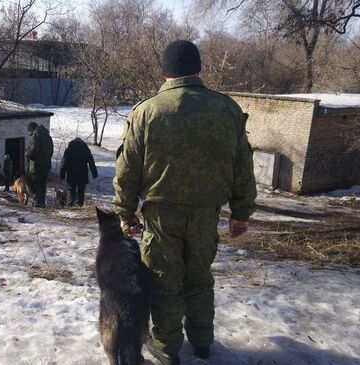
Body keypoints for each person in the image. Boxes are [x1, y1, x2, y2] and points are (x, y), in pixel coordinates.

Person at [112, 40, 257, 365]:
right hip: (207, 213)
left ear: (165, 72)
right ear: (198, 69)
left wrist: (125, 212)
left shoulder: (146, 112)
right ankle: (202, 342)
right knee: (199, 277)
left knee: (164, 281)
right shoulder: (226, 109)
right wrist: (241, 212)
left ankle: (166, 349)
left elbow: (127, 169)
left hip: (162, 216)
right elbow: (242, 166)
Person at [60, 137, 98, 207]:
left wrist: (62, 174)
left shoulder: (69, 149)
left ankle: (71, 204)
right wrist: (94, 173)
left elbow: (64, 163)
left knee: (71, 189)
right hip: (83, 173)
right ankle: (80, 204)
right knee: (81, 190)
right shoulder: (86, 150)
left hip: (71, 173)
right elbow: (91, 162)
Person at [25, 122, 54, 207]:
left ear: (31, 130)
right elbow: (51, 152)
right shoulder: (48, 136)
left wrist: (27, 153)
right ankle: (42, 203)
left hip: (36, 166)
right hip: (46, 165)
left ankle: (38, 203)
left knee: (35, 184)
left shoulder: (36, 135)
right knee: (42, 185)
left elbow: (33, 151)